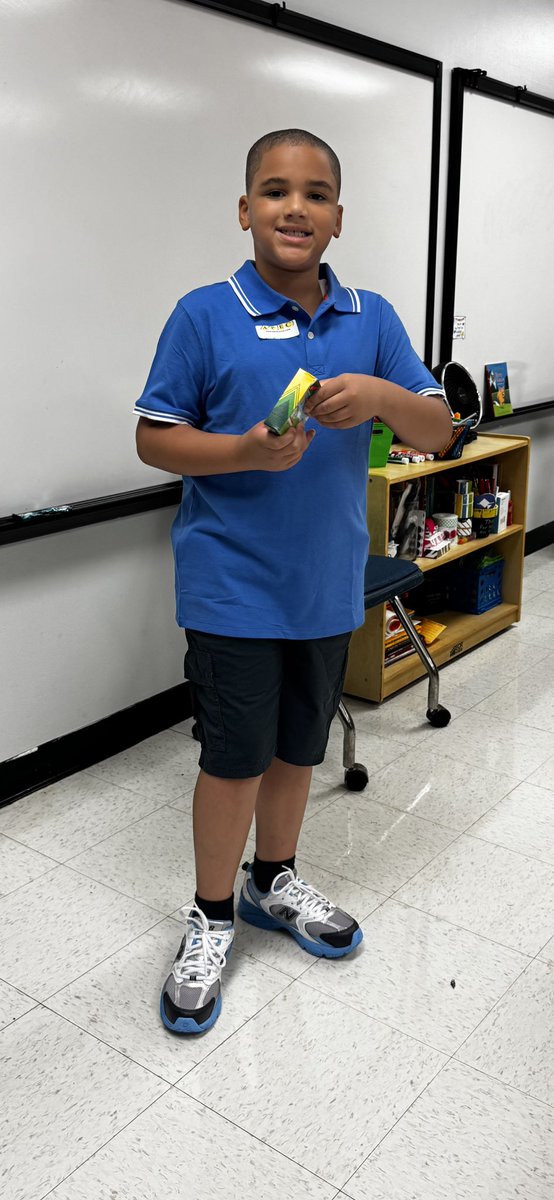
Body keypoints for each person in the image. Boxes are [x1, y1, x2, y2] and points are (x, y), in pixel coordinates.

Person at [134, 128, 452, 1036]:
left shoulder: (373, 318)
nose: (295, 208)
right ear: (245, 211)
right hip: (230, 582)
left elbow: (436, 434)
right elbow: (155, 438)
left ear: (338, 218)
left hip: (324, 583)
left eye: (314, 195)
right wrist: (244, 452)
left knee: (297, 750)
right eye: (274, 192)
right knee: (232, 755)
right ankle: (211, 914)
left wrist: (385, 398)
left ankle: (273, 880)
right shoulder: (203, 314)